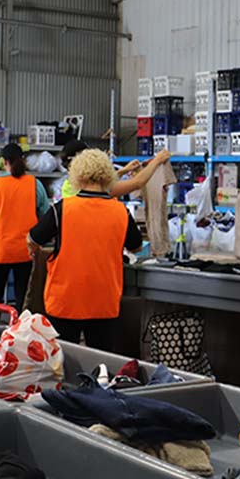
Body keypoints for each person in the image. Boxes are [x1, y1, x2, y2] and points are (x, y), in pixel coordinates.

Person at [28, 148, 142, 351]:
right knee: (103, 365)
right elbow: (136, 246)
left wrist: (34, 249)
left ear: (77, 174)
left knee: (61, 362)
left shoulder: (62, 209)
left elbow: (33, 238)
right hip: (104, 299)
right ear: (107, 175)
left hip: (65, 299)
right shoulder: (120, 212)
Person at [0, 143, 50, 323]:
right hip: (25, 249)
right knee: (23, 299)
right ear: (23, 160)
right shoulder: (35, 185)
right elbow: (45, 215)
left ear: (4, 162)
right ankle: (20, 336)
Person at [60, 139, 172, 199]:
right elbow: (137, 183)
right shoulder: (95, 191)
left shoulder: (70, 185)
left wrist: (124, 171)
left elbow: (100, 180)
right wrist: (157, 160)